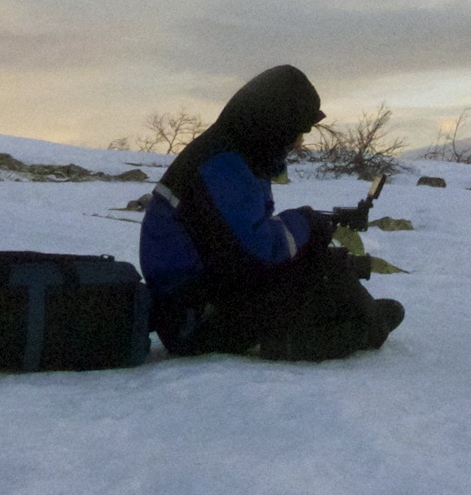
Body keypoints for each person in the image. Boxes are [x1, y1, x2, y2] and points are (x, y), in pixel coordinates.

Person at [138, 64, 404, 360]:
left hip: (198, 298)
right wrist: (306, 224)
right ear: (273, 125)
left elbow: (241, 242)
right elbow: (256, 253)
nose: (299, 142)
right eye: (296, 132)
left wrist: (309, 234)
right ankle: (343, 331)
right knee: (324, 279)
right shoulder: (223, 165)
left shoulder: (235, 154)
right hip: (192, 317)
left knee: (321, 270)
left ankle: (354, 317)